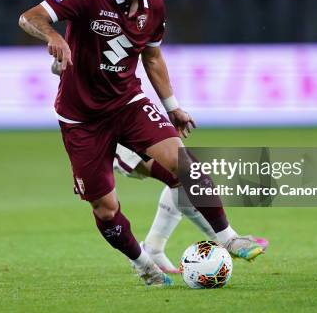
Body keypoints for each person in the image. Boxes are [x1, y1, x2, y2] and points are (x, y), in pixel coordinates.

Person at [19, 0, 265, 286]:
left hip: (129, 104)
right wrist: (55, 35)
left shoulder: (155, 7)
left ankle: (228, 237)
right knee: (105, 209)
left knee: (185, 165)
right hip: (81, 119)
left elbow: (152, 57)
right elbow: (29, 17)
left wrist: (173, 106)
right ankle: (143, 263)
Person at [52, 59, 269, 274]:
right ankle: (218, 240)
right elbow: (62, 63)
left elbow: (150, 56)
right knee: (173, 179)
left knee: (181, 176)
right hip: (102, 131)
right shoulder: (86, 31)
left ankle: (165, 247)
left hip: (126, 114)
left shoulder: (138, 29)